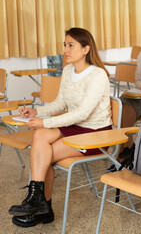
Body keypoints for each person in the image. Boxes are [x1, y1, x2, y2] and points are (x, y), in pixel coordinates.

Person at [8, 27, 113, 228]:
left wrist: (46, 122)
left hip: (95, 133)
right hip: (74, 125)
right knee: (40, 137)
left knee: (43, 154)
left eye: (71, 45)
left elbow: (83, 113)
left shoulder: (97, 75)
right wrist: (36, 113)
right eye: (65, 45)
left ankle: (41, 207)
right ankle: (39, 204)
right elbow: (60, 103)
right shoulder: (67, 70)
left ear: (85, 49)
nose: (65, 49)